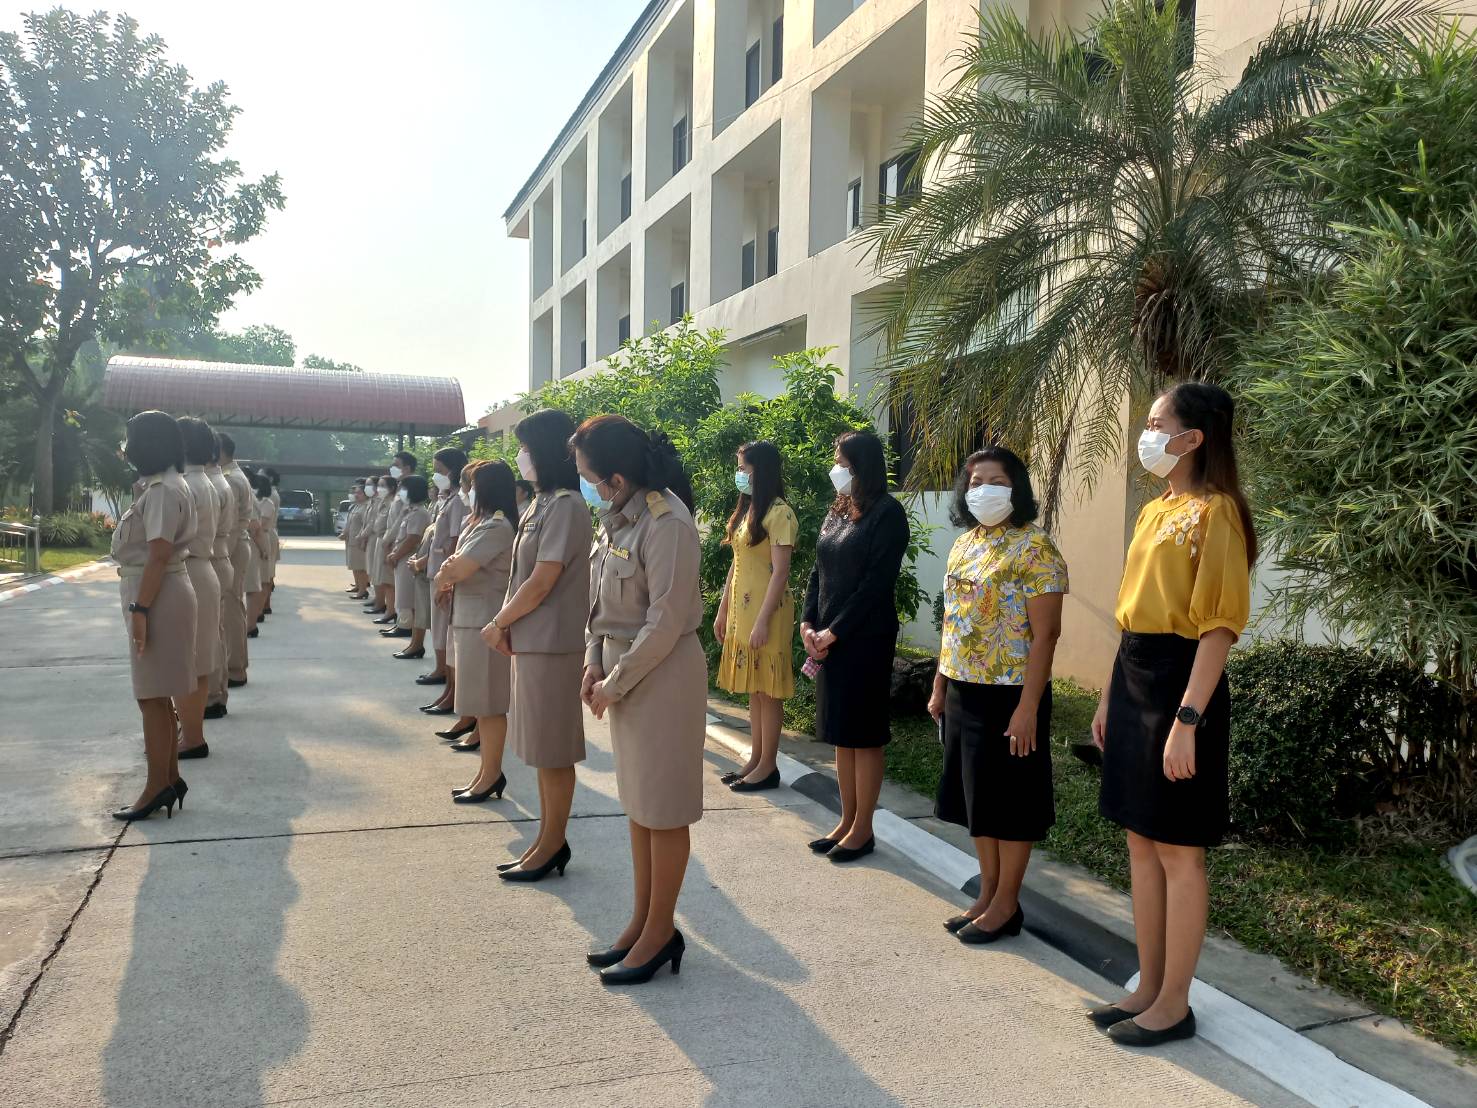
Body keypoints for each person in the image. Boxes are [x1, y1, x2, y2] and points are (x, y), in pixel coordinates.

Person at [1089, 382, 1254, 1048]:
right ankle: (1148, 986)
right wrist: (1108, 696)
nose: (1147, 433)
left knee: (1178, 849)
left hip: (1180, 683)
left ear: (1192, 438)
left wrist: (1187, 720)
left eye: (1158, 423)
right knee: (1140, 839)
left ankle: (1175, 1004)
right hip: (1134, 675)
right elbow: (1132, 612)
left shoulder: (1217, 512)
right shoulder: (1155, 510)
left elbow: (1218, 626)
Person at [576, 415, 705, 984]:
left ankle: (660, 933)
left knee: (663, 810)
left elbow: (666, 620)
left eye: (590, 478)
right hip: (622, 675)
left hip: (661, 678)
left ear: (618, 477)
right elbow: (600, 605)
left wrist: (614, 681)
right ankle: (643, 921)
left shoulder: (666, 521)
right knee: (639, 806)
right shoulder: (617, 517)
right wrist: (593, 662)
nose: (588, 487)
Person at [928, 447, 1067, 943]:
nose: (983, 490)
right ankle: (987, 894)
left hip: (1012, 697)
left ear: (1016, 488)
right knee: (977, 800)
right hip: (964, 689)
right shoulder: (963, 546)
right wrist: (940, 684)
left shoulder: (1036, 547)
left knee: (1010, 805)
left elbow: (1046, 635)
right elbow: (953, 622)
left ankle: (1008, 903)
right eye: (975, 482)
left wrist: (1029, 708)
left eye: (996, 481)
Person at [483, 410, 588, 871]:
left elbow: (542, 580)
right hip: (530, 641)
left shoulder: (566, 505)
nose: (520, 456)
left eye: (526, 447)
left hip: (552, 643)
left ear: (544, 450)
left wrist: (499, 620)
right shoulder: (540, 503)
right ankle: (547, 839)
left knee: (553, 749)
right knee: (541, 751)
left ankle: (552, 843)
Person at [802, 430, 910, 864]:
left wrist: (835, 632)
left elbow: (875, 585)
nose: (836, 469)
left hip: (865, 640)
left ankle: (863, 828)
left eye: (842, 463)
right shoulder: (839, 509)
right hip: (829, 639)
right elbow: (818, 571)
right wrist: (808, 623)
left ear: (862, 465)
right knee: (841, 735)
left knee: (863, 736)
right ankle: (846, 820)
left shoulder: (887, 514)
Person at [111, 410, 198, 821]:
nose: (125, 448)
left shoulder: (163, 490)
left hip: (157, 596)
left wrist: (141, 609)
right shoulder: (159, 485)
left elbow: (158, 555)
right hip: (157, 591)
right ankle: (169, 778)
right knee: (157, 694)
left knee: (150, 695)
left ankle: (155, 786)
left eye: (129, 440)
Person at [714, 440, 797, 791]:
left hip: (768, 612)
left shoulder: (780, 513)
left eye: (743, 469)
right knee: (755, 688)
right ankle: (756, 760)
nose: (739, 475)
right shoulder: (749, 511)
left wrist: (763, 620)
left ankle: (767, 766)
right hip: (742, 610)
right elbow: (737, 564)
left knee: (769, 690)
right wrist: (723, 609)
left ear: (760, 471)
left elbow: (780, 572)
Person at [434, 461, 518, 779]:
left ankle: (491, 775)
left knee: (488, 703)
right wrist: (448, 571)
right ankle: (486, 772)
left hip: (485, 622)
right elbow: (452, 567)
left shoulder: (496, 527)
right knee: (480, 702)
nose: (465, 491)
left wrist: (447, 573)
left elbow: (458, 568)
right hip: (471, 619)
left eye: (470, 485)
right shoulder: (480, 524)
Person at [174, 417, 223, 760]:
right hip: (201, 569)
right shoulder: (201, 481)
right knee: (197, 661)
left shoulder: (186, 485)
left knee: (185, 662)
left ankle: (191, 736)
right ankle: (191, 732)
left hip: (188, 570)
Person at [417, 449, 467, 688]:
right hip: (436, 569)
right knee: (438, 624)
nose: (436, 475)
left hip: (444, 571)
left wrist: (448, 576)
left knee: (442, 625)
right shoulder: (447, 498)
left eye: (440, 470)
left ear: (454, 470)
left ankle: (444, 672)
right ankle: (440, 669)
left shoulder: (457, 500)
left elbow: (455, 539)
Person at [204, 435, 237, 720]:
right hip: (218, 557)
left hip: (211, 559)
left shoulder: (209, 484)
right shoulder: (218, 481)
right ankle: (216, 694)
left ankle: (212, 696)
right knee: (215, 631)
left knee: (207, 635)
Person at [219, 434, 254, 688]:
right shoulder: (231, 475)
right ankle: (235, 666)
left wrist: (223, 558)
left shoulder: (230, 479)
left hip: (231, 548)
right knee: (231, 607)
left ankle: (234, 668)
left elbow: (230, 526)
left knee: (230, 609)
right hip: (235, 546)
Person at [387, 475, 433, 657]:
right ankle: (414, 643)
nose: (400, 491)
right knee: (408, 603)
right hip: (404, 561)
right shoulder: (411, 511)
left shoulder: (420, 513)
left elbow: (413, 538)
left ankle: (417, 645)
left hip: (409, 561)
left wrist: (396, 555)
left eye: (403, 488)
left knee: (414, 605)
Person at [245, 471, 274, 637]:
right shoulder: (251, 498)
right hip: (252, 540)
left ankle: (256, 615)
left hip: (258, 539)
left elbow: (257, 527)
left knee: (261, 580)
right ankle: (254, 616)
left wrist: (264, 549)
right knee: (255, 582)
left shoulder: (263, 502)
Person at [370, 474, 401, 626]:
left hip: (388, 543)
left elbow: (394, 526)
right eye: (379, 485)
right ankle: (388, 609)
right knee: (382, 578)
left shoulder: (394, 503)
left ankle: (391, 611)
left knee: (388, 580)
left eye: (383, 486)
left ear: (392, 488)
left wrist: (388, 543)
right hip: (381, 540)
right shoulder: (383, 502)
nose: (379, 488)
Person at [363, 475, 389, 615]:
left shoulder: (381, 501)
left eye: (370, 484)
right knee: (373, 570)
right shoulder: (373, 501)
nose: (369, 487)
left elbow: (374, 522)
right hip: (373, 537)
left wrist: (362, 535)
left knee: (377, 571)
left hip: (377, 537)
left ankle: (380, 602)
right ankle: (377, 599)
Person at [342, 481, 370, 598]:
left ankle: (362, 591)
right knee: (354, 566)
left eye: (359, 493)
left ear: (366, 494)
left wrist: (363, 539)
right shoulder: (356, 506)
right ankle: (358, 586)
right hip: (351, 540)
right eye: (355, 493)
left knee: (360, 567)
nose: (356, 495)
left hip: (359, 542)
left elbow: (367, 525)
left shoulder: (366, 507)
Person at [262, 467, 281, 616]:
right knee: (267, 571)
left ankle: (265, 604)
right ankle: (265, 604)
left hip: (267, 533)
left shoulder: (270, 496)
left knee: (266, 572)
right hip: (269, 532)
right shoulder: (270, 494)